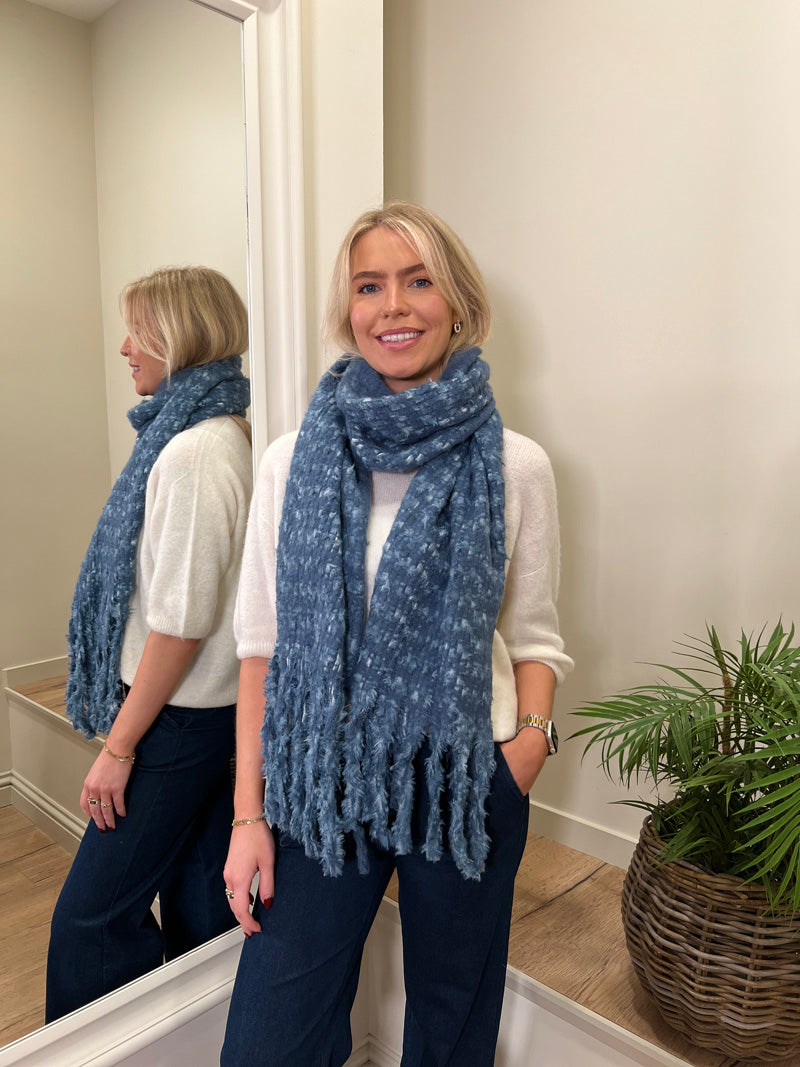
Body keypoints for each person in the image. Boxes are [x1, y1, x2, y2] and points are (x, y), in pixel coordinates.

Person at [221, 203, 573, 1066]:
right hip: (323, 777)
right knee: (270, 1035)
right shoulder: (291, 461)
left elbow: (535, 636)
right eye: (369, 286)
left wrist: (527, 746)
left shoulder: (516, 465)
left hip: (464, 777)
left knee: (452, 1024)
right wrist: (247, 814)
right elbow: (261, 645)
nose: (394, 306)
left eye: (419, 281)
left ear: (458, 302)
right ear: (348, 310)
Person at [46, 266, 253, 1022]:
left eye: (138, 331)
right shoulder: (222, 433)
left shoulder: (195, 451)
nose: (125, 348)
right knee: (201, 905)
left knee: (90, 922)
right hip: (206, 716)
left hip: (177, 719)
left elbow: (181, 623)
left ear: (180, 336)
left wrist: (120, 745)